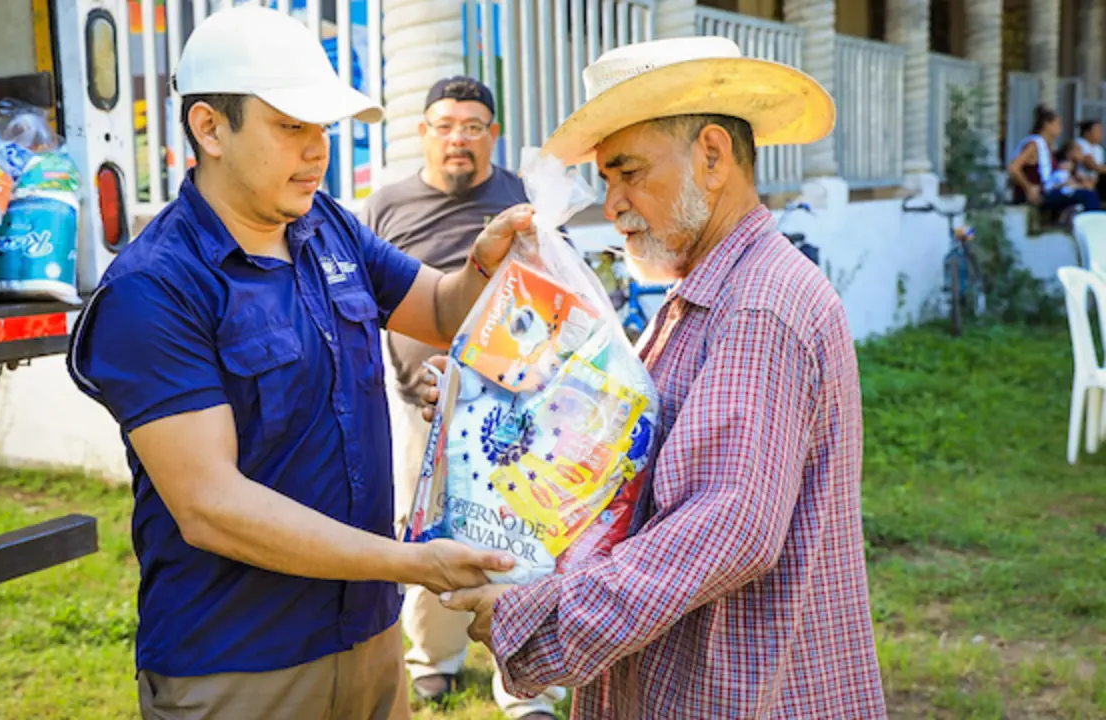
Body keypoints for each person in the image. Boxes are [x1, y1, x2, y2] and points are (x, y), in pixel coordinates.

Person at [65, 7, 533, 719]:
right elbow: (211, 509)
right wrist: (410, 563)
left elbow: (440, 309)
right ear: (209, 128)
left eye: (322, 129)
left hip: (367, 638)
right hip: (239, 665)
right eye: (291, 127)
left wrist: (485, 263)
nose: (317, 151)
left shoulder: (328, 227)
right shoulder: (154, 288)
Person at [434, 36, 889, 717]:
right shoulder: (699, 297)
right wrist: (489, 412)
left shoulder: (759, 304)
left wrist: (544, 617)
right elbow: (630, 466)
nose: (612, 205)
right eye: (606, 179)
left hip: (743, 692)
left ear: (711, 156)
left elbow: (726, 525)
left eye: (629, 173)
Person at [358, 76, 565, 719]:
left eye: (473, 127)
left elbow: (555, 296)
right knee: (423, 527)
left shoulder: (524, 200)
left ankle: (527, 682)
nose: (458, 139)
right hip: (419, 404)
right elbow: (368, 304)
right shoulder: (384, 205)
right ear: (422, 133)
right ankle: (435, 661)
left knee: (523, 529)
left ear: (492, 136)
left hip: (516, 407)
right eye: (444, 125)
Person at [1008, 105, 1101, 218]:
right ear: (1047, 125)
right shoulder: (1033, 145)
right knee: (1088, 196)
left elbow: (1049, 178)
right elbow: (1013, 168)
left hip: (1047, 190)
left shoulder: (1047, 147)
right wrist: (1029, 188)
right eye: (1057, 124)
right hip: (1037, 194)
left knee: (1087, 191)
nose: (1060, 129)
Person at [1076, 119, 1106, 198]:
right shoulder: (1079, 143)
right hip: (1079, 181)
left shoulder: (1099, 148)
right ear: (1087, 133)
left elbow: (1100, 168)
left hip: (1094, 182)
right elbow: (1090, 164)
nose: (1101, 134)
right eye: (1098, 131)